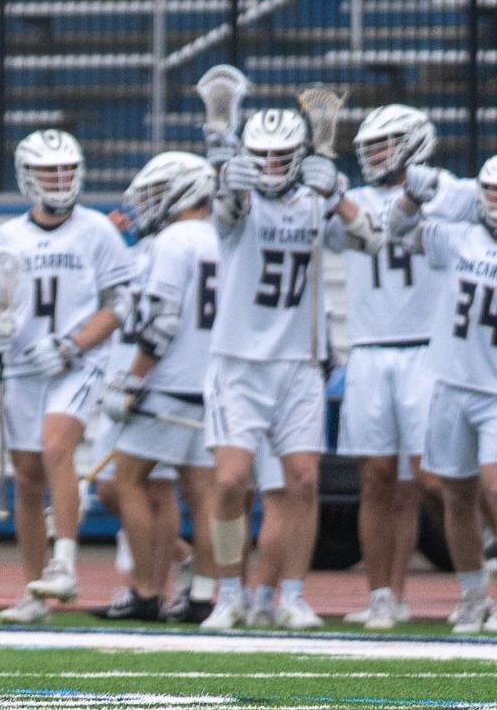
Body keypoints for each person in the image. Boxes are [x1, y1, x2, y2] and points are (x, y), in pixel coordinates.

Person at [199, 108, 376, 630]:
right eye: (261, 156)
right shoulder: (237, 200)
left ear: (299, 157)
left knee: (302, 482)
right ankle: (228, 592)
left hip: (299, 360)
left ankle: (291, 596)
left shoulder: (315, 202)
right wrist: (229, 183)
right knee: (231, 480)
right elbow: (228, 212)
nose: (271, 166)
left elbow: (372, 237)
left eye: (281, 156)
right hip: (239, 362)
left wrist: (337, 193)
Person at [0, 130, 137, 623]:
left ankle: (64, 565)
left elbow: (120, 305)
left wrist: (73, 345)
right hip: (23, 366)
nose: (60, 178)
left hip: (77, 363)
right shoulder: (10, 235)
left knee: (56, 449)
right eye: (50, 170)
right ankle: (35, 591)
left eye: (67, 169)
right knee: (27, 480)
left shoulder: (96, 230)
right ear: (28, 176)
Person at [95, 152, 220, 623]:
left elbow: (163, 322)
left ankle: (147, 590)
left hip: (169, 384)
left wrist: (134, 378)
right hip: (211, 382)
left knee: (126, 480)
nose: (148, 205)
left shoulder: (173, 240)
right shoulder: (223, 237)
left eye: (155, 194)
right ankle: (204, 595)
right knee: (203, 493)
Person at [335, 105, 444, 630]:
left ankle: (477, 582)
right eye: (371, 146)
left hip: (428, 348)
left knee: (434, 480)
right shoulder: (352, 199)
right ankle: (384, 596)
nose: (375, 154)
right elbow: (341, 233)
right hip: (371, 347)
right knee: (378, 479)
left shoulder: (447, 192)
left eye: (384, 143)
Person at [387, 156, 497, 634]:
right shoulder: (460, 237)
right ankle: (472, 593)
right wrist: (412, 196)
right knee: (455, 495)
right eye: (491, 191)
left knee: (494, 487)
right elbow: (397, 231)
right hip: (452, 382)